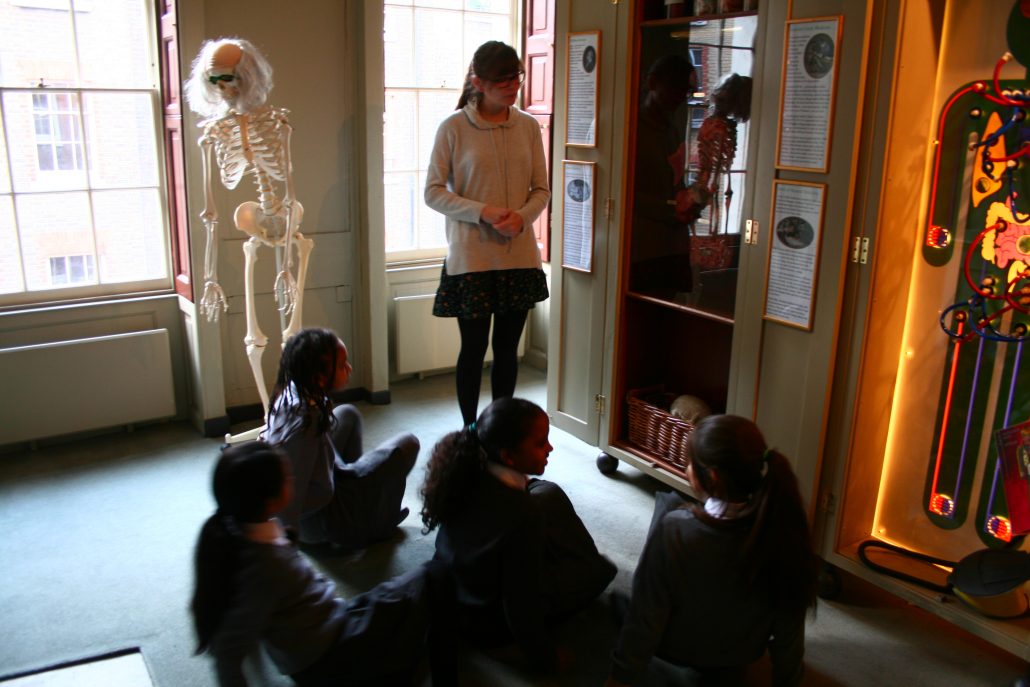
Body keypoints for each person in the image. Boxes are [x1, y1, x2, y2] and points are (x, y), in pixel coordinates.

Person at [190, 441, 456, 686]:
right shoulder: (263, 565)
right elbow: (228, 650)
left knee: (401, 601)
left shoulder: (242, 530)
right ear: (270, 500)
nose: (294, 480)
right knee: (434, 576)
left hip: (332, 621)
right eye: (289, 477)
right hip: (330, 654)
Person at [605, 415, 819, 687]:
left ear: (713, 476)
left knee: (668, 508)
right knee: (671, 508)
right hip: (740, 655)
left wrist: (620, 677)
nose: (687, 469)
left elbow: (646, 616)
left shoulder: (675, 531)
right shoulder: (785, 533)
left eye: (690, 463)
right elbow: (789, 633)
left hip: (676, 648)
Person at [419, 397, 616, 672]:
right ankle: (499, 646)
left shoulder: (465, 470)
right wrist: (544, 658)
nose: (550, 448)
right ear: (509, 456)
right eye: (540, 444)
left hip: (456, 590)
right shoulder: (522, 514)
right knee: (601, 571)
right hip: (488, 621)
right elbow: (520, 605)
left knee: (548, 493)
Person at [424, 40, 551, 426]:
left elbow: (541, 190)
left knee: (508, 350)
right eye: (503, 80)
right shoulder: (453, 128)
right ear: (478, 82)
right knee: (474, 349)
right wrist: (484, 212)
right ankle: (467, 430)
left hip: (519, 256)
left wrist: (524, 217)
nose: (513, 86)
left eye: (517, 77)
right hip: (472, 258)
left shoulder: (528, 126)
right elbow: (433, 192)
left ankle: (500, 429)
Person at [263, 327, 417, 551]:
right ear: (319, 376)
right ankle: (366, 524)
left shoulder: (295, 388)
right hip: (320, 524)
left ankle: (358, 504)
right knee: (409, 443)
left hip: (329, 484)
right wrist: (287, 544)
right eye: (342, 365)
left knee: (347, 414)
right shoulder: (305, 426)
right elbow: (289, 498)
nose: (349, 368)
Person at [630, 53, 697, 295]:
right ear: (652, 83)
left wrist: (688, 200)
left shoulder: (672, 130)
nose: (679, 97)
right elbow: (622, 192)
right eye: (674, 88)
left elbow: (673, 179)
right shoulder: (631, 128)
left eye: (684, 92)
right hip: (641, 248)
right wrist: (670, 210)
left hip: (671, 246)